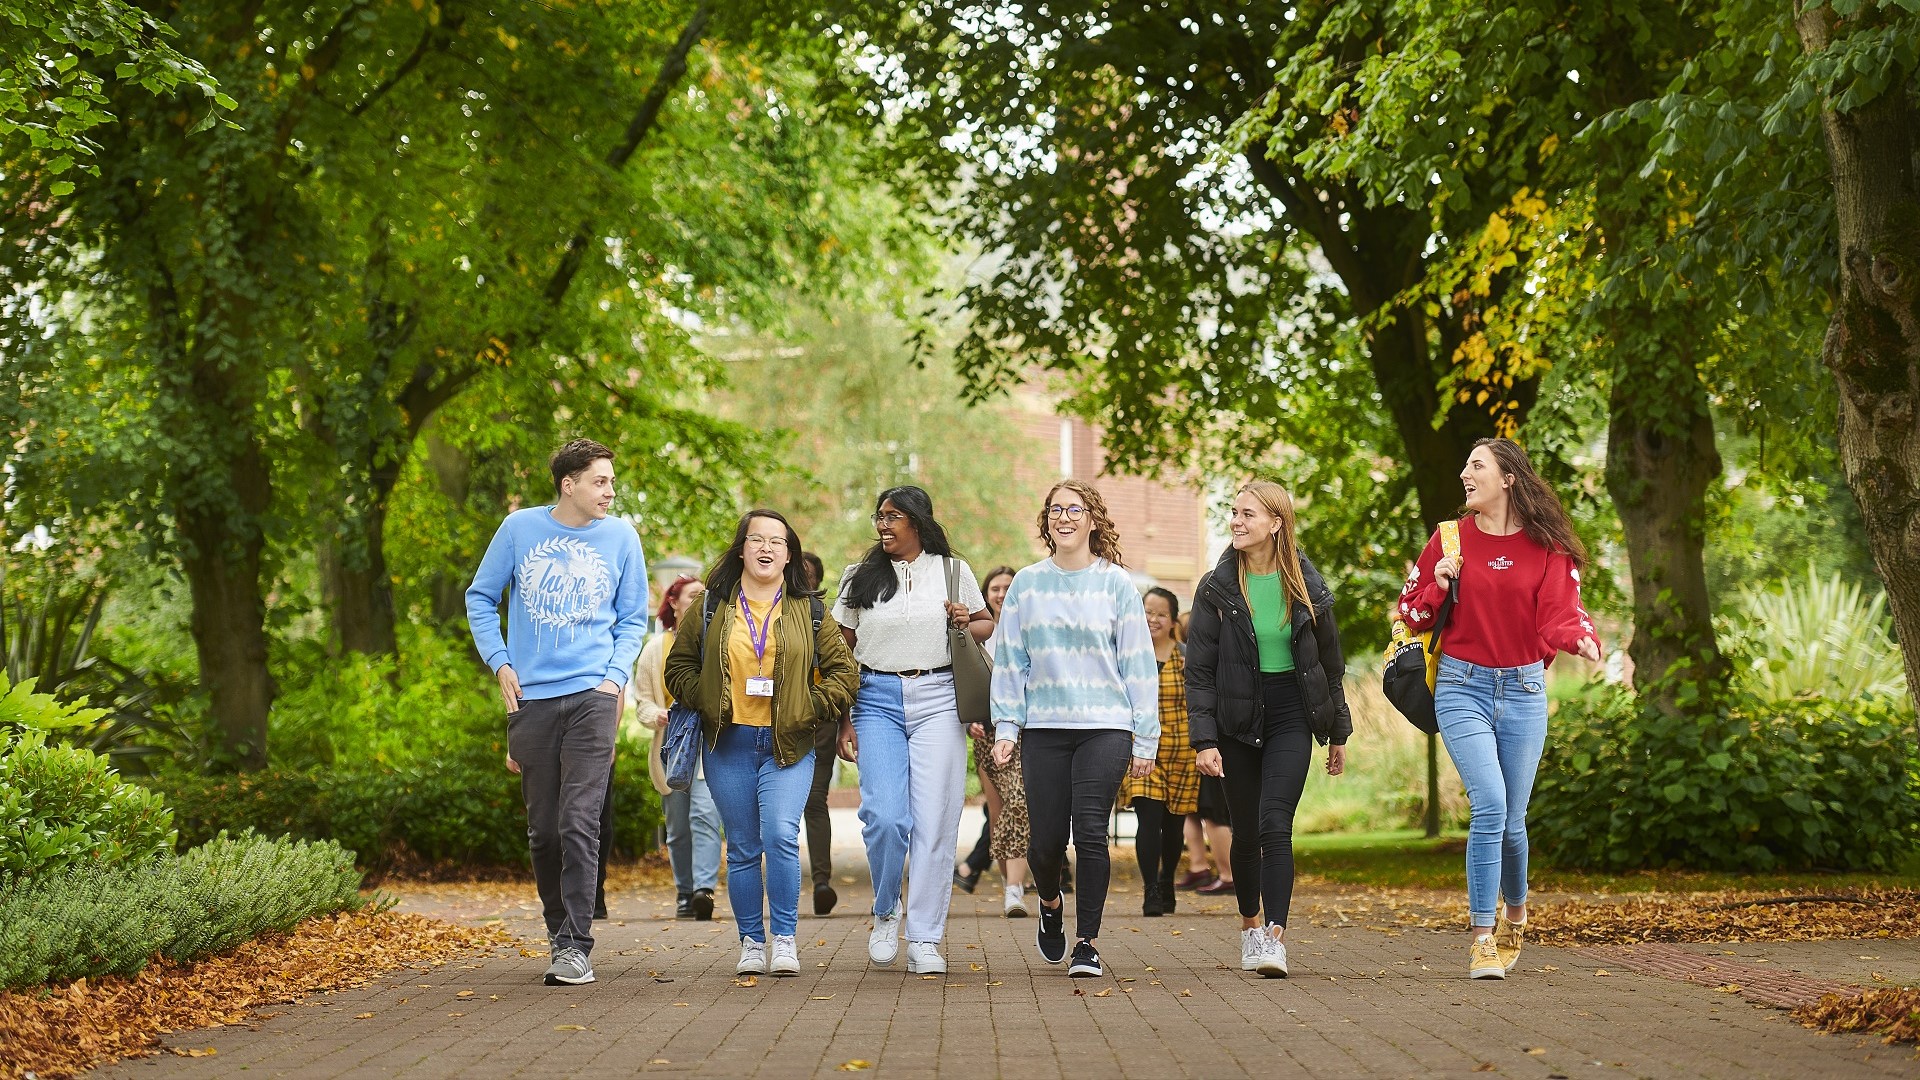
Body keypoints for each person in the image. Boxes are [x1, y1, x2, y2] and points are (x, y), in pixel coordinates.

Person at [1396, 438, 1600, 980]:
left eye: (1477, 465)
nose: (1465, 473)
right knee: (1489, 804)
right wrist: (1437, 586)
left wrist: (1581, 639)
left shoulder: (1548, 547)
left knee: (1513, 821)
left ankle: (1517, 913)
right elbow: (1410, 611)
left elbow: (1560, 613)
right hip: (1462, 686)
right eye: (1465, 464)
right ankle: (1482, 937)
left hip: (1525, 691)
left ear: (1508, 478)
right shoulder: (1448, 540)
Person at [465, 438, 648, 987]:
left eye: (612, 482)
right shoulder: (519, 528)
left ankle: (575, 944)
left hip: (594, 695)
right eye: (600, 481)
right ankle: (556, 929)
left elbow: (632, 617)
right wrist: (499, 661)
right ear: (569, 484)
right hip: (532, 700)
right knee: (544, 830)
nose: (610, 492)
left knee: (579, 821)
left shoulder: (621, 537)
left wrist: (614, 679)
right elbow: (480, 597)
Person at [665, 509, 857, 978]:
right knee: (746, 847)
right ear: (742, 549)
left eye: (776, 541)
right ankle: (752, 941)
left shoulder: (809, 610)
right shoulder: (711, 607)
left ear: (788, 553)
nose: (766, 548)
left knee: (779, 836)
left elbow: (845, 673)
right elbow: (678, 667)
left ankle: (785, 939)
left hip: (788, 744)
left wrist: (809, 707)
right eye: (757, 540)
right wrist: (708, 699)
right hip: (727, 742)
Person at [990, 479, 1158, 979]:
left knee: (1089, 832)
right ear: (1046, 521)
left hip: (1105, 727)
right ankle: (1048, 902)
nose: (1063, 517)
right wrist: (1007, 725)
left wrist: (1144, 738)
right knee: (1044, 843)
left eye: (1074, 509)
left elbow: (1138, 664)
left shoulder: (1116, 585)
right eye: (1055, 510)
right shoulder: (1027, 584)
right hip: (1043, 727)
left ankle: (1087, 943)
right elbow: (1009, 660)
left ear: (1092, 519)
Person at [1188, 480, 1353, 979]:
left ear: (1276, 523)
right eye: (1234, 513)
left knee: (1274, 822)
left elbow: (1330, 665)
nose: (1236, 522)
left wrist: (1338, 732)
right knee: (1245, 832)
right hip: (1236, 718)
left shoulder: (1308, 585)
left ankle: (1275, 938)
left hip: (1291, 715)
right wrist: (1204, 739)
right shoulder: (1216, 588)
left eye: (1248, 515)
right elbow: (1198, 670)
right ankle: (1249, 926)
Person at [836, 486, 993, 975]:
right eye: (879, 517)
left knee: (936, 821)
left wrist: (968, 619)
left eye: (893, 517)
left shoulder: (952, 571)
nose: (883, 525)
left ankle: (925, 938)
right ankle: (886, 910)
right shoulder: (858, 577)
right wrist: (843, 718)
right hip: (875, 700)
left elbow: (986, 624)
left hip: (939, 698)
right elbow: (841, 652)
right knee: (885, 818)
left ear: (918, 522)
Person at [632, 574, 721, 921]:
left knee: (705, 815)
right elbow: (642, 702)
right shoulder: (656, 649)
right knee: (679, 827)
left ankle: (704, 890)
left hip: (709, 743)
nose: (700, 600)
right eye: (692, 595)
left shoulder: (717, 642)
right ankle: (685, 892)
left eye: (704, 595)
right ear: (674, 602)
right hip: (672, 745)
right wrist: (658, 715)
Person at [954, 565, 1031, 917]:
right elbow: (964, 680)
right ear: (986, 595)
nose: (1001, 593)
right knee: (999, 812)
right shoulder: (978, 634)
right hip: (985, 731)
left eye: (1008, 586)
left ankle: (1015, 887)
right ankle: (1009, 887)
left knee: (1021, 803)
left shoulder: (1029, 629)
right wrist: (970, 719)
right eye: (995, 588)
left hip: (1024, 731)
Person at [1119, 587, 1199, 917]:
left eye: (1161, 614)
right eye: (1147, 611)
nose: (1152, 619)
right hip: (1141, 750)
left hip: (1182, 749)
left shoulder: (1187, 657)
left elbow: (1200, 703)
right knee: (1148, 819)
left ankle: (1168, 880)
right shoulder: (1125, 654)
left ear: (1172, 621)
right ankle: (1151, 888)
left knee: (1174, 824)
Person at [798, 551, 843, 916]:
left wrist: (839, 719)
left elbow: (842, 671)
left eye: (807, 573)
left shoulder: (822, 618)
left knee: (814, 800)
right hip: (769, 719)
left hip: (818, 722)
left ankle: (822, 881)